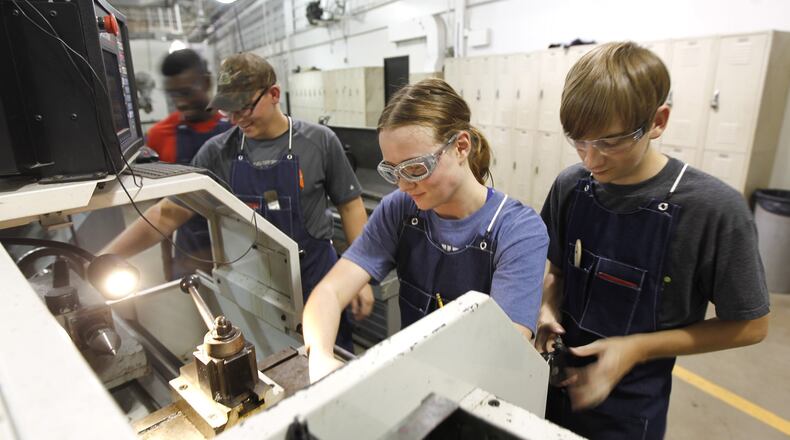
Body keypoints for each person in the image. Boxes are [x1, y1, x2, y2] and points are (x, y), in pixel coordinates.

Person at [536, 41, 770, 440]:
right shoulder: (571, 186)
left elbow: (751, 327)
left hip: (631, 411)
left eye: (610, 142)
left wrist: (637, 348)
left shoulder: (712, 210)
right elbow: (557, 270)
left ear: (658, 121)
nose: (591, 160)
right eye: (578, 140)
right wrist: (546, 307)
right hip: (551, 387)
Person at [103, 53, 371, 350]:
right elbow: (167, 213)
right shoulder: (217, 152)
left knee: (330, 359)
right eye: (229, 110)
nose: (237, 118)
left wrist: (358, 275)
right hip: (257, 288)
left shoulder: (319, 141)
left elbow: (350, 205)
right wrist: (105, 257)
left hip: (319, 280)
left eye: (244, 107)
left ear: (274, 94)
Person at [302, 78, 549, 382]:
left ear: (461, 146)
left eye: (416, 169)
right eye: (393, 171)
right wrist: (322, 359)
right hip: (416, 377)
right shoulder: (399, 209)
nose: (404, 185)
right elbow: (328, 292)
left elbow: (504, 349)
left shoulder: (518, 232)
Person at [145, 48, 232, 279]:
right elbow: (160, 211)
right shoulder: (159, 136)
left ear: (206, 83)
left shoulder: (236, 129)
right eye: (173, 95)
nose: (180, 103)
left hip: (237, 254)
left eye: (186, 92)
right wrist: (167, 266)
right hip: (189, 259)